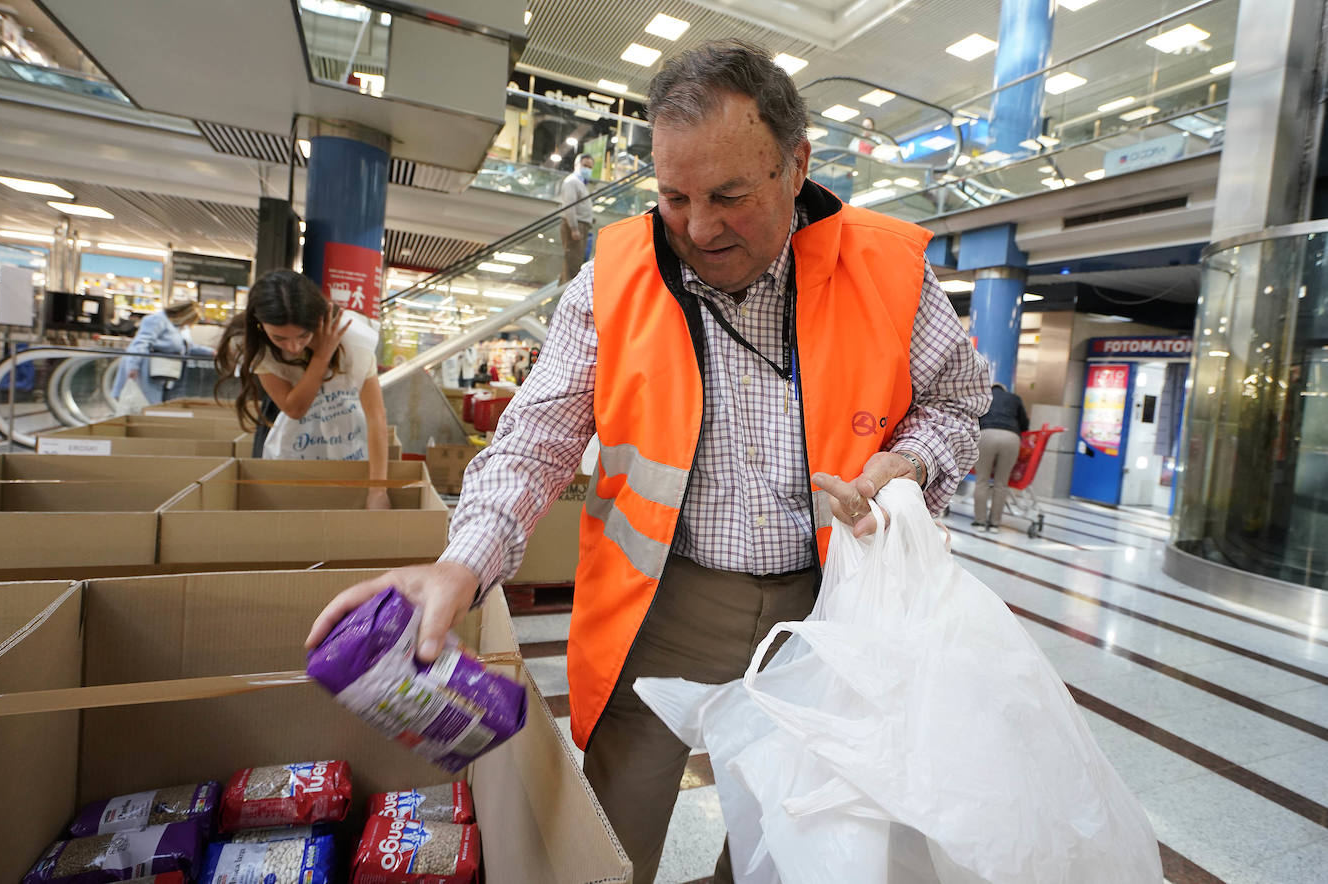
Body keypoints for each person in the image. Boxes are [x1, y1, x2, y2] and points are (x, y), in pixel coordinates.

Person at [307, 40, 989, 883]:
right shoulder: (613, 279)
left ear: (795, 165)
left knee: (790, 836)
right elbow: (537, 438)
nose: (700, 227)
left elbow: (959, 401)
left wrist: (908, 465)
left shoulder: (889, 269)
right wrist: (462, 564)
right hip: (664, 609)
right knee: (607, 844)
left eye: (730, 196)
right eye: (675, 196)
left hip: (833, 612)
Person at [216, 269, 390, 510]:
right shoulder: (255, 345)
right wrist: (321, 356)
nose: (294, 347)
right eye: (280, 338)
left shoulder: (351, 337)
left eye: (303, 335)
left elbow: (376, 417)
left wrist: (378, 490)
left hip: (343, 421)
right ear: (260, 324)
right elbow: (294, 408)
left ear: (317, 319)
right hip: (284, 423)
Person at [112, 300, 213, 406]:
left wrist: (211, 352)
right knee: (145, 404)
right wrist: (133, 366)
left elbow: (187, 347)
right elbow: (140, 344)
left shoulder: (179, 327)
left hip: (166, 374)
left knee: (157, 404)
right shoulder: (157, 320)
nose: (188, 324)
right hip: (146, 371)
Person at [974, 381, 1029, 532]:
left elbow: (973, 420)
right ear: (1005, 390)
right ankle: (994, 524)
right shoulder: (1015, 398)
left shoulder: (983, 397)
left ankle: (980, 522)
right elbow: (1025, 425)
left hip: (986, 435)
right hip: (1011, 437)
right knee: (1001, 483)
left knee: (982, 481)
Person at [558, 153, 595, 284]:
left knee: (575, 263)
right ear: (576, 165)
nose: (587, 169)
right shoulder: (572, 181)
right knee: (572, 266)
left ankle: (561, 297)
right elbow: (569, 206)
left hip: (582, 226)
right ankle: (566, 298)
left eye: (590, 167)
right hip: (575, 225)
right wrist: (574, 228)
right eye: (585, 165)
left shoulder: (581, 183)